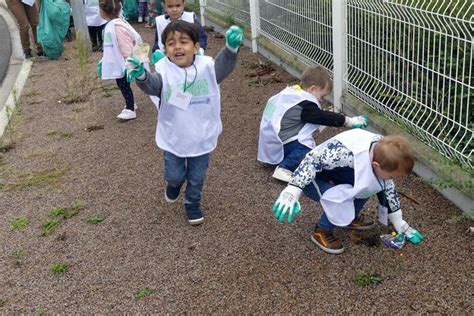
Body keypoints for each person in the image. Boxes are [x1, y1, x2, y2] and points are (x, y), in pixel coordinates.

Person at [125, 20, 243, 225]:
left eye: (184, 41)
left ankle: (192, 203)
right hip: (174, 135)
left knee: (197, 177)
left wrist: (231, 49)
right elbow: (154, 86)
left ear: (196, 46)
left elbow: (223, 67)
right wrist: (142, 75)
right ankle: (173, 185)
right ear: (165, 49)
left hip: (201, 135)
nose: (177, 46)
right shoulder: (164, 69)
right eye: (171, 43)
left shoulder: (207, 67)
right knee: (174, 175)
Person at [272, 129, 424, 254]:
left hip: (343, 177)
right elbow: (311, 161)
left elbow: (387, 188)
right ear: (376, 165)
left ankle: (348, 218)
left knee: (369, 187)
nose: (392, 179)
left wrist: (400, 222)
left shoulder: (384, 154)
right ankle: (322, 231)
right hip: (315, 179)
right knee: (339, 198)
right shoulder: (344, 153)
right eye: (391, 176)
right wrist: (293, 189)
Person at [257, 65, 369, 183]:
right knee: (308, 148)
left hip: (271, 142)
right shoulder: (305, 104)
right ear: (312, 89)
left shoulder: (292, 94)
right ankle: (284, 168)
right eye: (322, 95)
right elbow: (323, 117)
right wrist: (350, 121)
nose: (321, 100)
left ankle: (285, 159)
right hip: (282, 143)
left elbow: (317, 117)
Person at [97, 0, 142, 120]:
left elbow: (125, 45)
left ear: (103, 11)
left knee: (123, 84)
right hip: (119, 62)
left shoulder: (117, 26)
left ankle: (130, 108)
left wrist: (129, 61)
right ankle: (130, 103)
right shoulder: (113, 24)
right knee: (123, 84)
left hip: (123, 63)